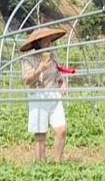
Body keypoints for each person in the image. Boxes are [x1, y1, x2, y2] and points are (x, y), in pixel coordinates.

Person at [20, 27, 70, 162]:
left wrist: (63, 82)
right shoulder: (29, 59)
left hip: (54, 95)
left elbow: (58, 72)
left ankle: (57, 162)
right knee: (40, 135)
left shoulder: (52, 56)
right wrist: (39, 70)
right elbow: (27, 80)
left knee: (61, 130)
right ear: (38, 42)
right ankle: (40, 165)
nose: (48, 41)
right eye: (45, 39)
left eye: (50, 39)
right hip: (38, 96)